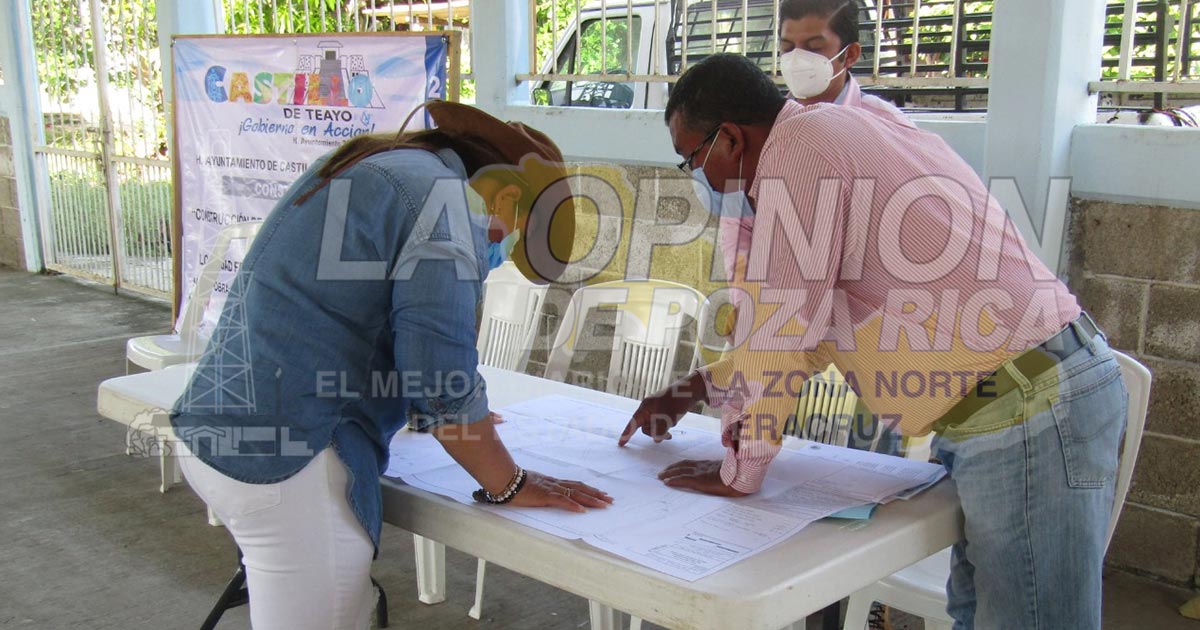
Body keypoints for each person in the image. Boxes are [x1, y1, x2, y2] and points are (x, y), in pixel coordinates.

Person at [621, 54, 1127, 630]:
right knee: (982, 616)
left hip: (1028, 413)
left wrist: (741, 470)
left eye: (692, 160)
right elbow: (816, 329)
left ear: (731, 138)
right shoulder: (840, 129)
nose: (699, 181)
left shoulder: (798, 154)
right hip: (1017, 405)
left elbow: (785, 327)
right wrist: (700, 387)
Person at [170, 100, 611, 630]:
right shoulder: (445, 204)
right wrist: (509, 482)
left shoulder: (383, 165)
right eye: (503, 234)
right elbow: (439, 372)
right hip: (294, 464)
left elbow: (371, 316)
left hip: (228, 429)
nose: (495, 247)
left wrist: (443, 412)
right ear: (507, 193)